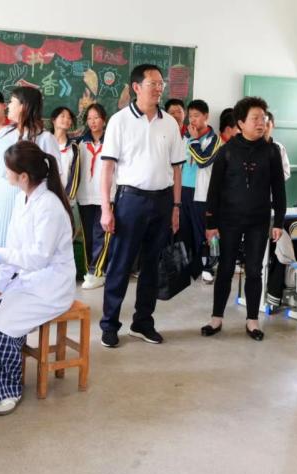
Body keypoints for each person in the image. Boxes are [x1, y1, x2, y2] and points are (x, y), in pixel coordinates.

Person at [0, 141, 75, 415]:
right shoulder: (22, 199)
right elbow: (12, 248)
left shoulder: (49, 206)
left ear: (23, 176)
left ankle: (8, 390)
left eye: (8, 170)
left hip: (51, 287)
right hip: (28, 281)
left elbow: (37, 258)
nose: (4, 174)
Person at [98, 64, 185, 348]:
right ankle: (110, 325)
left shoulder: (169, 123)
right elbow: (107, 169)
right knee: (120, 264)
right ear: (136, 87)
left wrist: (176, 207)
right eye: (153, 83)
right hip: (130, 200)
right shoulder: (119, 121)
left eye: (161, 84)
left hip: (162, 201)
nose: (159, 88)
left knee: (152, 265)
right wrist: (106, 208)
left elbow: (177, 170)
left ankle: (143, 322)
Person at [203, 96, 286, 340]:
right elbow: (214, 190)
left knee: (254, 270)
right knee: (226, 268)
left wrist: (279, 222)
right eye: (255, 118)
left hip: (258, 221)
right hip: (229, 220)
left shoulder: (271, 151)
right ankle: (216, 318)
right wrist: (211, 224)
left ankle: (252, 320)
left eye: (263, 118)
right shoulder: (227, 151)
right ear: (241, 123)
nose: (261, 123)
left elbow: (279, 190)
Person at [0, 86, 60, 247]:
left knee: (21, 247)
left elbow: (52, 175)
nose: (8, 106)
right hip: (0, 197)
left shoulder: (45, 138)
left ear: (23, 106)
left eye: (12, 102)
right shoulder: (3, 134)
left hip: (29, 198)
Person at [181, 99, 223, 283]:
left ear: (206, 116)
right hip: (184, 190)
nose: (192, 120)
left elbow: (203, 160)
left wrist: (194, 140)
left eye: (196, 116)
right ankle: (192, 266)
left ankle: (209, 266)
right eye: (190, 116)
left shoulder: (215, 140)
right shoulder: (185, 138)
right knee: (186, 232)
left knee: (205, 232)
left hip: (202, 193)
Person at [76, 103, 113, 290]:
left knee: (102, 235)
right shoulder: (80, 144)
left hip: (107, 196)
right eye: (89, 118)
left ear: (104, 120)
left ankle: (96, 272)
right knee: (88, 236)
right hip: (85, 195)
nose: (93, 122)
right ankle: (91, 271)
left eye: (96, 117)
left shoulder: (112, 141)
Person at [263, 110, 292, 309]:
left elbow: (285, 173)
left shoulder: (278, 148)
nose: (263, 127)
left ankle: (274, 289)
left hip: (273, 201)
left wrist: (272, 179)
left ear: (272, 125)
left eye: (267, 123)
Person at [49, 106, 80, 198]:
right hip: (45, 196)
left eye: (69, 118)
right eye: (62, 116)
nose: (66, 119)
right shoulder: (45, 143)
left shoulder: (73, 147)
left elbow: (75, 175)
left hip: (65, 198)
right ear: (53, 120)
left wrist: (67, 196)